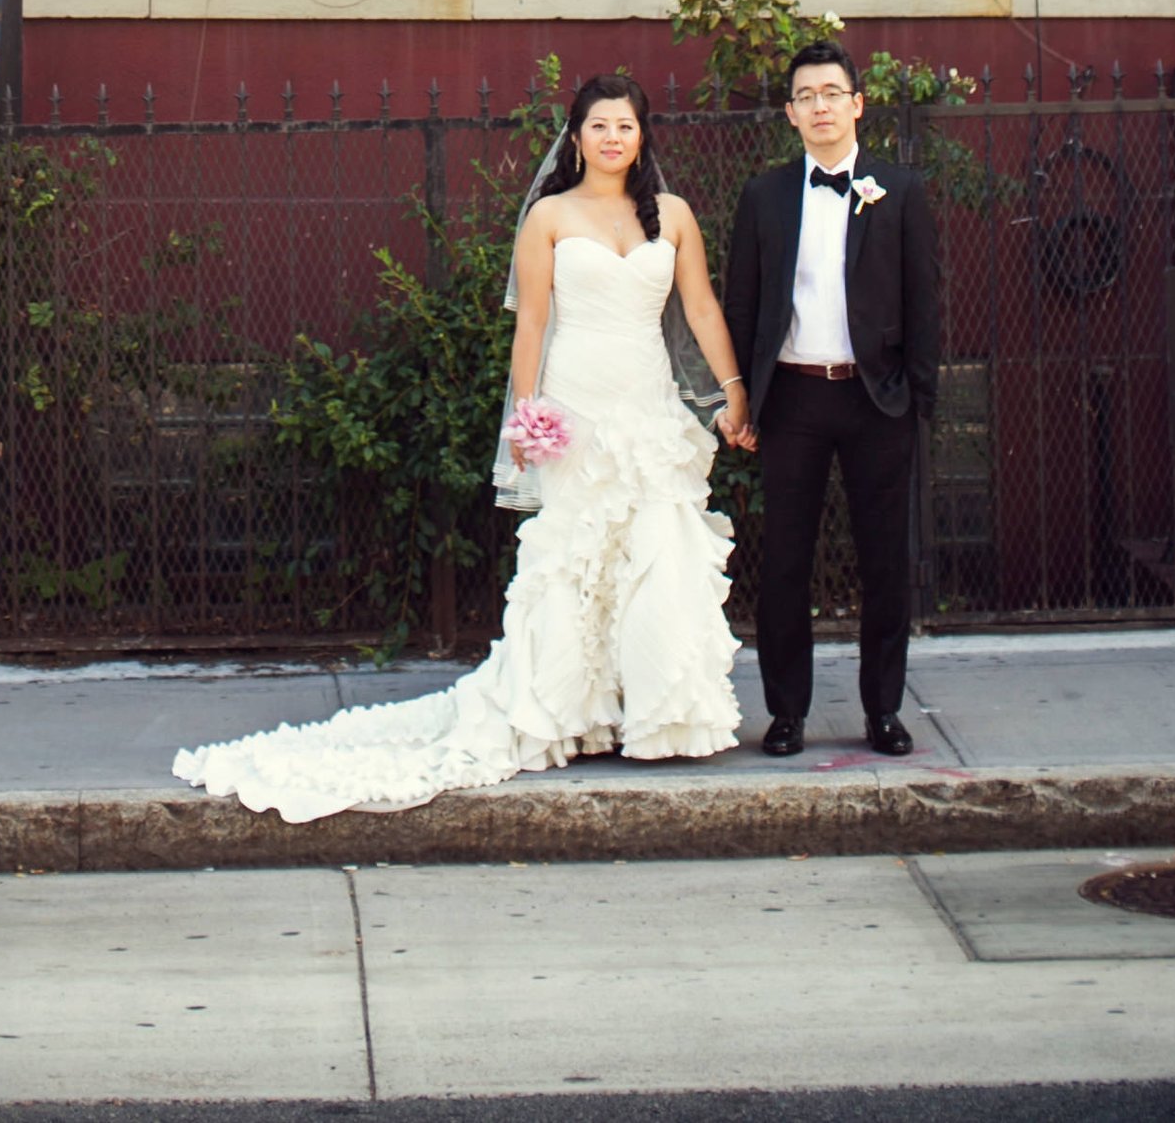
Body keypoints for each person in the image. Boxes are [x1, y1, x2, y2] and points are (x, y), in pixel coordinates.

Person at [173, 73, 750, 821]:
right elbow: (534, 324)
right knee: (573, 560)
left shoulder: (671, 215)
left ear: (643, 138)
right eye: (599, 125)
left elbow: (699, 304)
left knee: (657, 551)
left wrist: (731, 388)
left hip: (647, 401)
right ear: (575, 136)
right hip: (576, 402)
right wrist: (530, 412)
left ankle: (659, 713)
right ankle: (568, 713)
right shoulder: (548, 215)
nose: (613, 138)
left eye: (626, 127)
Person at [722, 38, 941, 759]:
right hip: (793, 401)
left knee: (885, 562)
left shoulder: (899, 190)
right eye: (805, 96)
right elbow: (744, 306)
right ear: (790, 113)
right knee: (785, 561)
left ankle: (884, 711)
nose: (820, 107)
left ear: (857, 103)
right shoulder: (764, 195)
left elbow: (924, 304)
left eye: (831, 93)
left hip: (876, 402)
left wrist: (917, 401)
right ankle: (787, 713)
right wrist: (746, 402)